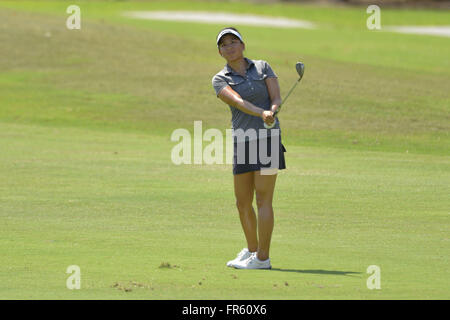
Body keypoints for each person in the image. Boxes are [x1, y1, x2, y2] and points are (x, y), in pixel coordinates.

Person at [211, 27, 287, 269]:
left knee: (264, 200)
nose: (230, 47)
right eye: (224, 44)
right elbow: (238, 102)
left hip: (267, 140)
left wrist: (272, 111)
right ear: (220, 52)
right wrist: (260, 112)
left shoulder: (263, 67)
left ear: (243, 45)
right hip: (242, 141)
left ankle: (263, 258)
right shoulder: (220, 79)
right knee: (243, 202)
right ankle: (253, 251)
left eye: (234, 41)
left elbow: (275, 97)